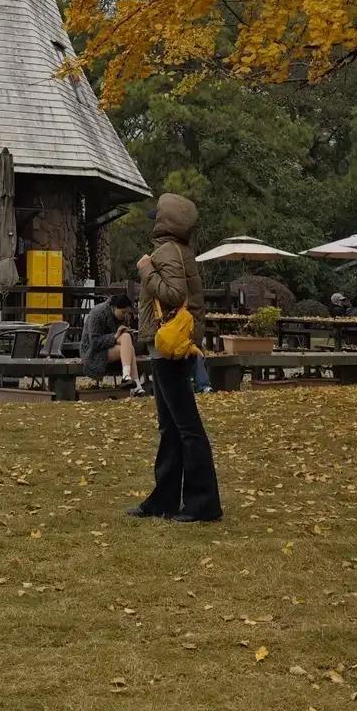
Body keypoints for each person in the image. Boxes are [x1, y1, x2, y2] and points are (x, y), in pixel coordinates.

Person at [128, 193, 223, 523]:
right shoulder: (181, 251)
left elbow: (174, 295)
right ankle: (164, 500)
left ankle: (202, 503)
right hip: (170, 346)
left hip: (168, 347)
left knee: (185, 426)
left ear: (164, 222)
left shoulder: (165, 252)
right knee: (171, 427)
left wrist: (145, 271)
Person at [79, 294, 145, 393]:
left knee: (127, 338)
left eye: (127, 313)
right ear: (114, 307)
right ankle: (135, 384)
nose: (124, 315)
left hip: (111, 348)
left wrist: (129, 333)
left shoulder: (121, 317)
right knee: (130, 349)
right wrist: (115, 336)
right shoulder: (97, 313)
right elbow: (94, 342)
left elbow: (124, 339)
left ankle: (127, 377)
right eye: (123, 312)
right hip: (92, 352)